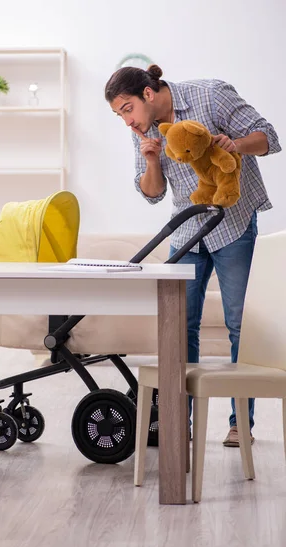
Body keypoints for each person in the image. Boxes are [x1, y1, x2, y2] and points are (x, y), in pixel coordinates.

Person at [105, 64, 281, 446]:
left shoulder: (210, 94)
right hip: (186, 231)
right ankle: (176, 423)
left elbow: (269, 138)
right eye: (120, 114)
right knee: (179, 327)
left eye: (126, 109)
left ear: (148, 95)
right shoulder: (144, 130)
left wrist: (235, 145)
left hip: (232, 222)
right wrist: (151, 159)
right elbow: (151, 193)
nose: (127, 121)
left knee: (239, 325)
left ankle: (240, 424)